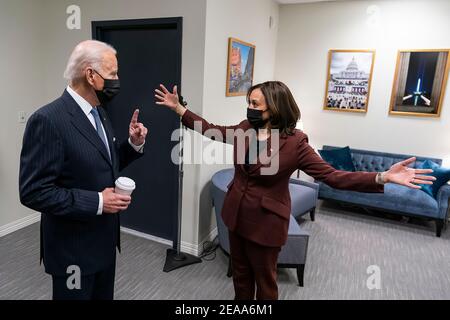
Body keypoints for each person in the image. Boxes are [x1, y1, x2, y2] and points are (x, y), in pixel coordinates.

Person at [155, 81, 435, 300]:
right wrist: (180, 110)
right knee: (241, 278)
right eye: (248, 102)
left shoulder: (296, 143)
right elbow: (211, 129)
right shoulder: (245, 129)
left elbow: (333, 177)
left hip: (266, 225)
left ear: (274, 108)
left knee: (265, 284)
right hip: (235, 217)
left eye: (255, 104)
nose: (249, 108)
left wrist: (382, 177)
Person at [19, 40, 148, 300]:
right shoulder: (47, 120)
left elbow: (103, 164)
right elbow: (33, 191)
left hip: (104, 243)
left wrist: (134, 144)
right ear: (91, 75)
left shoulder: (99, 113)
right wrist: (99, 201)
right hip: (73, 252)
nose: (117, 79)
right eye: (112, 74)